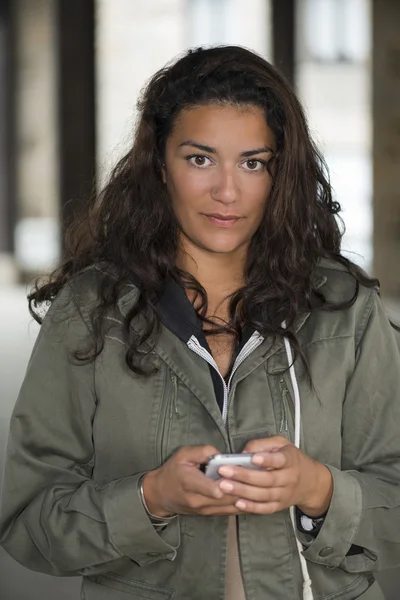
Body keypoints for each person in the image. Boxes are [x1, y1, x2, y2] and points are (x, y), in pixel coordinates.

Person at [0, 45, 399, 600]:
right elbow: (26, 522)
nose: (228, 192)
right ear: (160, 165)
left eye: (253, 163)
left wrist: (318, 488)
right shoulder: (92, 310)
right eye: (200, 159)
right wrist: (151, 498)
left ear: (280, 173)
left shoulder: (344, 309)